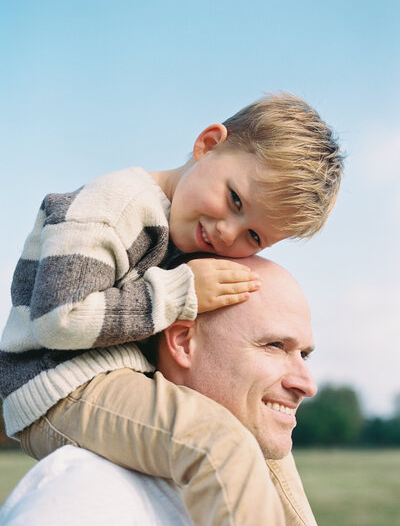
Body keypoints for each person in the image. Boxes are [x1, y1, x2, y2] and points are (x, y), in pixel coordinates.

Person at [0, 93, 342, 525]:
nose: (226, 233)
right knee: (220, 442)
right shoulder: (112, 205)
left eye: (254, 237)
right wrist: (178, 292)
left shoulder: (186, 233)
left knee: (266, 444)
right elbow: (58, 318)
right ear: (208, 144)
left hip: (119, 377)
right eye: (235, 200)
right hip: (58, 385)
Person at [0, 257, 318, 526]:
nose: (307, 385)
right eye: (275, 345)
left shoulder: (252, 488)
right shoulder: (82, 502)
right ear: (183, 344)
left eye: (304, 355)